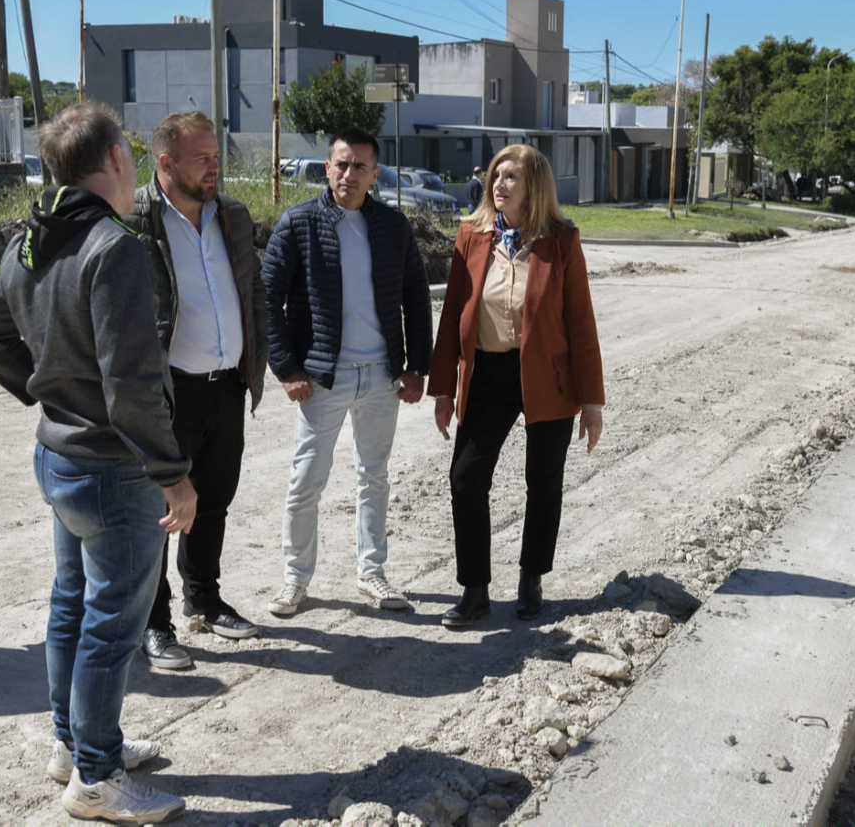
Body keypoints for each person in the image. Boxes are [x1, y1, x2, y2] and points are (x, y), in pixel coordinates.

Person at [0, 101, 194, 825]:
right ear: (117, 159)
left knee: (72, 605)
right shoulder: (112, 246)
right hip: (112, 470)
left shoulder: (30, 241)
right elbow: (132, 385)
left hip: (60, 456)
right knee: (110, 625)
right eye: (129, 151)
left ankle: (75, 745)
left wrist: (51, 392)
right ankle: (96, 777)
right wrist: (174, 474)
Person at [428, 143, 605, 627]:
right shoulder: (472, 235)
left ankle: (531, 579)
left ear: (535, 187)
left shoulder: (561, 241)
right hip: (488, 372)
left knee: (543, 482)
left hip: (548, 377)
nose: (499, 184)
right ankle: (475, 591)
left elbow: (581, 323)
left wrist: (591, 402)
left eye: (512, 177)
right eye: (496, 175)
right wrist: (443, 389)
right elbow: (453, 315)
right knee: (466, 477)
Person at [262, 126, 433, 616]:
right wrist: (287, 368)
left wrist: (417, 366)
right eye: (341, 164)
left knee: (374, 478)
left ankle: (372, 573)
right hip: (322, 380)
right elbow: (267, 298)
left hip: (381, 376)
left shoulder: (393, 226)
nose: (349, 174)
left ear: (375, 174)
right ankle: (295, 580)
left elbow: (416, 298)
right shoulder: (299, 223)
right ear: (327, 168)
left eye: (360, 166)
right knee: (306, 481)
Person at [125, 111, 269, 670]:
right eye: (202, 158)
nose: (215, 167)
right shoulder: (133, 219)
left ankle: (204, 600)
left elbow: (253, 291)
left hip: (225, 386)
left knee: (213, 501)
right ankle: (153, 622)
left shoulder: (231, 215)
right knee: (159, 513)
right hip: (168, 393)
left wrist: (254, 362)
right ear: (165, 163)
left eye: (216, 156)